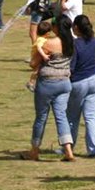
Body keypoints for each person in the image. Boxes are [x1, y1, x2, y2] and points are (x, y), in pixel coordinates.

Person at [24, 15, 75, 162]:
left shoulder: (48, 44)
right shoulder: (71, 43)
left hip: (47, 82)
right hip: (64, 82)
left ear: (57, 27)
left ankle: (34, 150)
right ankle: (68, 150)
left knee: (41, 117)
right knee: (61, 116)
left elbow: (33, 64)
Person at [67, 14, 95, 157]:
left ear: (76, 28)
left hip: (79, 82)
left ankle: (68, 147)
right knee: (92, 117)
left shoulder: (75, 44)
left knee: (72, 117)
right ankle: (94, 149)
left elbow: (72, 68)